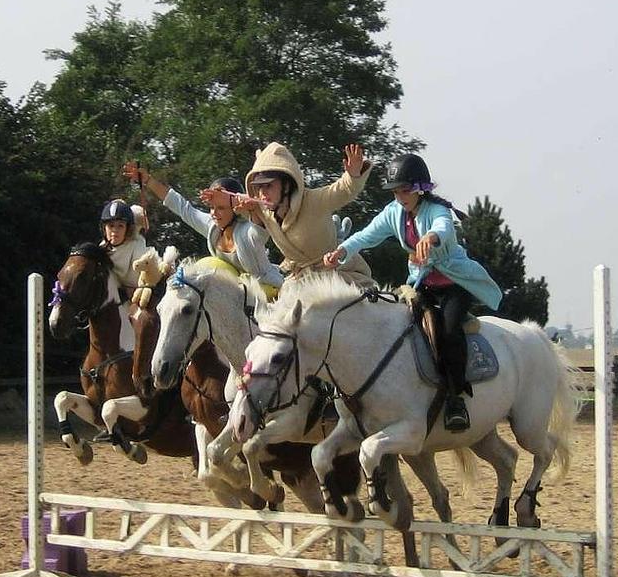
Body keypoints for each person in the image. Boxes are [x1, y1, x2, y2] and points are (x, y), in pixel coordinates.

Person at [322, 154, 503, 432]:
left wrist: (430, 238)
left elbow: (442, 228)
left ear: (420, 189)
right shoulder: (394, 212)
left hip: (453, 286)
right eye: (396, 191)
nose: (400, 196)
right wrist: (342, 251)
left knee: (449, 330)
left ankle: (456, 399)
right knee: (398, 326)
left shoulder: (437, 210)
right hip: (422, 285)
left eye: (404, 190)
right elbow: (367, 235)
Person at [122, 163, 284, 298]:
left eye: (221, 207)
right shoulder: (212, 227)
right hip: (237, 297)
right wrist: (148, 181)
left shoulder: (248, 231)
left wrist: (248, 207)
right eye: (212, 207)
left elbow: (263, 220)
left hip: (270, 294)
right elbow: (181, 206)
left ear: (235, 207)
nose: (214, 213)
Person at [239, 142, 375, 288]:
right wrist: (218, 195)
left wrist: (353, 175)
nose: (262, 193)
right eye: (258, 187)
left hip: (339, 273)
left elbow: (343, 190)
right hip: (299, 280)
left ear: (287, 184)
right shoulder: (261, 209)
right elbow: (233, 200)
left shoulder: (314, 201)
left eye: (268, 185)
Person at [98, 198, 149, 352]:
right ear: (104, 228)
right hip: (113, 303)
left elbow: (147, 277)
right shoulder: (101, 249)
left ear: (128, 228)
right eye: (111, 226)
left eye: (120, 226)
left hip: (138, 301)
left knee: (146, 324)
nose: (115, 231)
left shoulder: (137, 246)